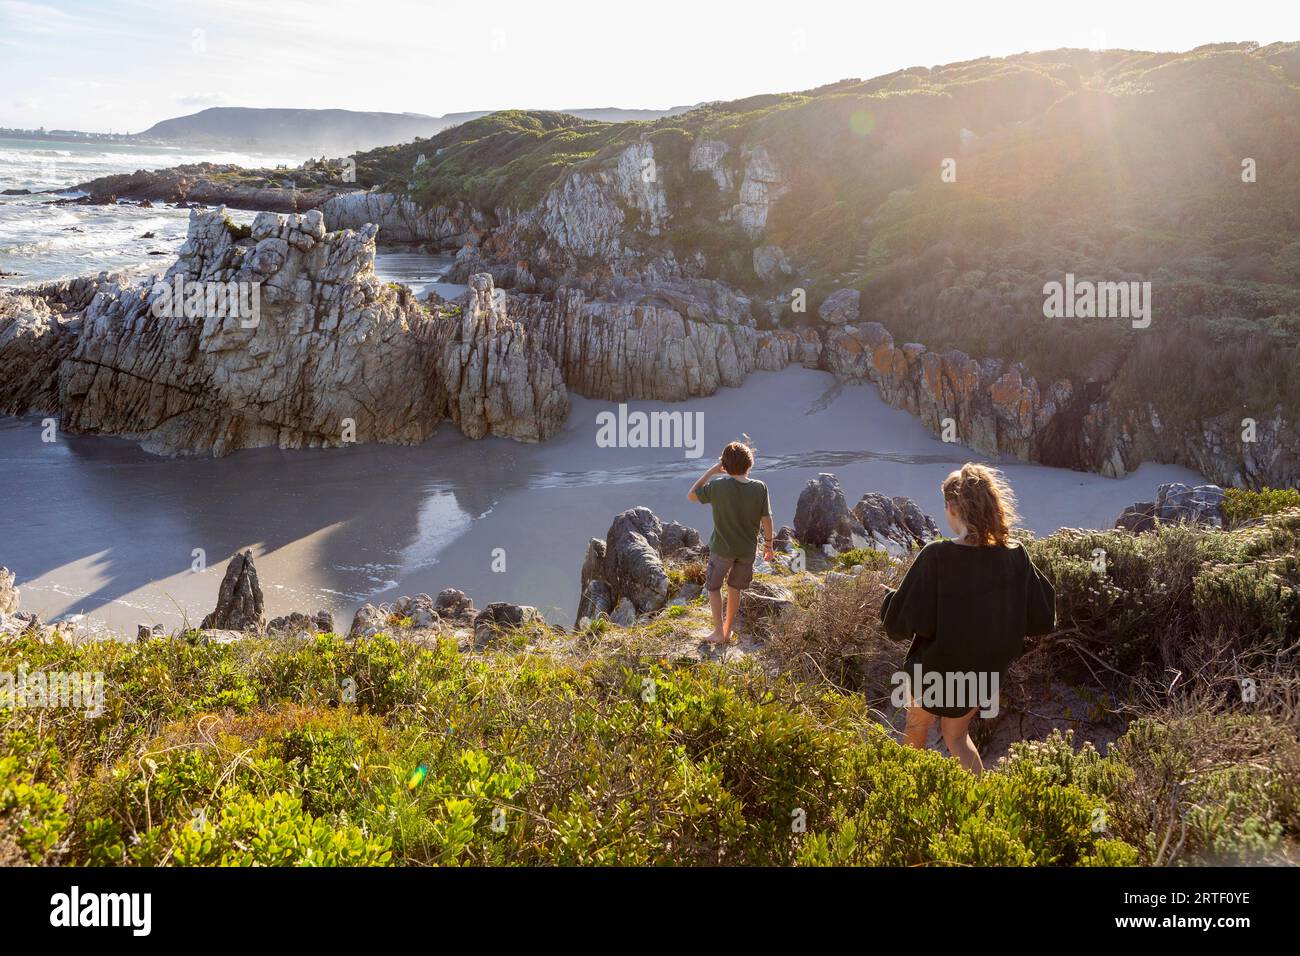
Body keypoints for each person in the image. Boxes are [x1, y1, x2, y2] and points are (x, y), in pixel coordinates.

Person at [880, 462, 1056, 773]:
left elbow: (898, 625)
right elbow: (1042, 617)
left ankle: (905, 797)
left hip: (939, 666)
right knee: (956, 735)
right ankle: (980, 801)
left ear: (952, 508)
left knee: (917, 726)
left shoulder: (937, 556)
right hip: (984, 669)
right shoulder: (1016, 556)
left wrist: (891, 599)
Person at [688, 439, 776, 645]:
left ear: (724, 466)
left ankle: (718, 631)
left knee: (713, 587)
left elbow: (691, 495)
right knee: (735, 588)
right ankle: (728, 631)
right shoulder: (760, 488)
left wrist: (712, 471)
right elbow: (767, 520)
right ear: (750, 463)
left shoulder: (718, 485)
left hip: (721, 550)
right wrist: (769, 545)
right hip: (746, 551)